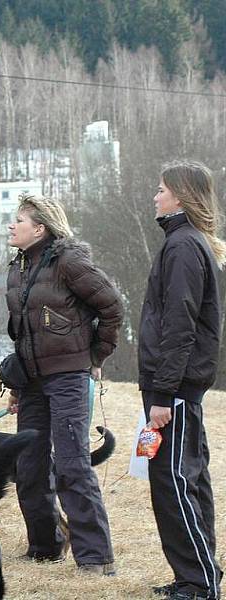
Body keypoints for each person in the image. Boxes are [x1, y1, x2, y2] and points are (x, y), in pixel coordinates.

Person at [4, 193, 123, 576]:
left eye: (18, 220)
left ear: (39, 228)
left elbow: (112, 306)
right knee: (29, 465)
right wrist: (18, 386)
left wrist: (95, 357)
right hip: (33, 382)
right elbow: (22, 332)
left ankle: (96, 559)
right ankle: (45, 547)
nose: (11, 225)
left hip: (69, 377)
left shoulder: (70, 261)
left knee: (72, 465)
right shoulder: (18, 267)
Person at [140, 161, 225, 600]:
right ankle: (197, 574)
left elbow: (180, 327)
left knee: (174, 481)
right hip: (176, 387)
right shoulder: (183, 242)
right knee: (187, 478)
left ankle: (199, 582)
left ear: (180, 196)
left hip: (172, 389)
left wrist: (162, 393)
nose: (155, 197)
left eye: (160, 190)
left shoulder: (184, 246)